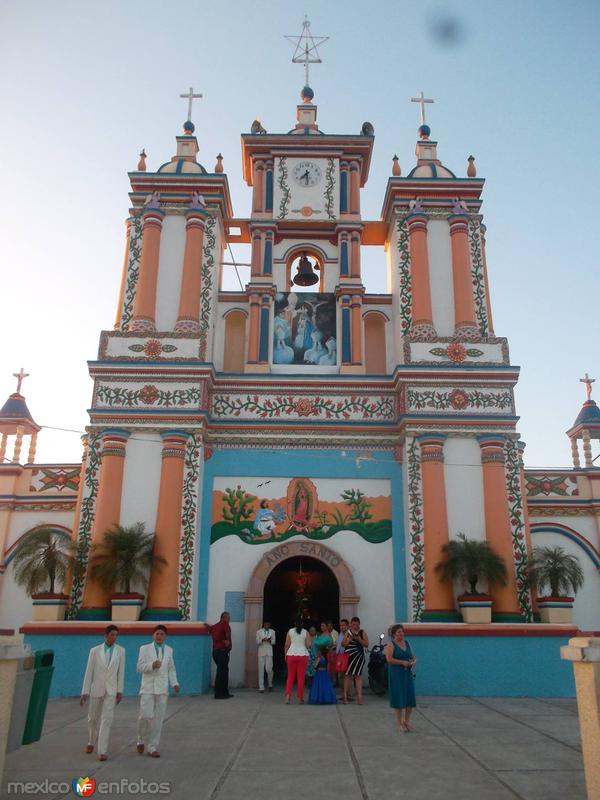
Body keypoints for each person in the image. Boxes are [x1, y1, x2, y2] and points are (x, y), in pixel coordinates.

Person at [80, 624, 125, 761]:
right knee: (92, 718)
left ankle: (102, 750)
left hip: (111, 689)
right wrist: (85, 691)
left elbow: (121, 672)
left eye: (116, 635)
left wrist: (119, 690)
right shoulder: (95, 651)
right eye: (112, 635)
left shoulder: (120, 651)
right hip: (96, 688)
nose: (114, 637)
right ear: (105, 636)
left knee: (107, 719)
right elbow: (89, 672)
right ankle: (91, 741)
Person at [136, 625, 180, 758]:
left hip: (162, 688)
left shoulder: (169, 650)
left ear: (165, 636)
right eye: (157, 634)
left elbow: (171, 668)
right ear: (153, 635)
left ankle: (152, 746)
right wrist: (151, 665)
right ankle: (140, 739)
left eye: (162, 634)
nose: (159, 636)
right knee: (145, 715)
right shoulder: (144, 649)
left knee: (158, 718)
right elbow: (139, 667)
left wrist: (175, 683)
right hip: (148, 687)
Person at [385, 624, 417, 732]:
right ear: (394, 634)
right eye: (399, 632)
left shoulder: (407, 643)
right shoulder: (391, 645)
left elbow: (412, 656)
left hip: (407, 674)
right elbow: (389, 659)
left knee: (409, 697)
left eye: (402, 631)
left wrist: (413, 662)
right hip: (396, 674)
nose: (401, 634)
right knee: (399, 697)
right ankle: (399, 723)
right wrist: (402, 662)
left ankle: (406, 721)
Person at [343, 617, 369, 705]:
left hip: (359, 657)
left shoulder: (362, 632)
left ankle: (359, 697)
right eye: (353, 624)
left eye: (356, 624)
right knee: (347, 676)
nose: (355, 626)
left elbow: (366, 644)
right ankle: (345, 697)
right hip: (349, 656)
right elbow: (343, 644)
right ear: (351, 624)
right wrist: (349, 640)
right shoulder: (348, 632)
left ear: (359, 624)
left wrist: (359, 639)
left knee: (358, 676)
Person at [284, 617, 309, 704]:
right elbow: (308, 645)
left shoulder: (290, 631)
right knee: (301, 678)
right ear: (302, 624)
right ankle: (299, 698)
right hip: (302, 655)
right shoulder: (305, 632)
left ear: (294, 623)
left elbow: (287, 644)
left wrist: (285, 655)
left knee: (290, 677)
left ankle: (287, 697)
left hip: (291, 654)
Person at [211, 611, 233, 699]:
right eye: (228, 617)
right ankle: (220, 693)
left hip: (215, 652)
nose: (229, 619)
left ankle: (223, 692)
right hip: (222, 651)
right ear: (223, 618)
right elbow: (227, 632)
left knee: (222, 671)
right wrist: (227, 641)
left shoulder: (215, 626)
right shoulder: (225, 624)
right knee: (222, 672)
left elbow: (210, 630)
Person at [256, 620, 275, 692]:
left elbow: (274, 642)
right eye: (266, 624)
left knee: (269, 669)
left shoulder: (273, 632)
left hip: (269, 652)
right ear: (263, 625)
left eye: (268, 624)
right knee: (261, 669)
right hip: (261, 652)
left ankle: (270, 684)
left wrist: (270, 640)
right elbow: (257, 642)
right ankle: (261, 687)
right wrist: (262, 640)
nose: (267, 625)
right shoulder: (259, 632)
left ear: (269, 625)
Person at [335, 618, 351, 693]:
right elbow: (338, 646)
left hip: (349, 657)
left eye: (343, 625)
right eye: (340, 625)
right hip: (340, 658)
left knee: (348, 676)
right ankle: (344, 693)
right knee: (341, 676)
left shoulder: (350, 634)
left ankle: (349, 693)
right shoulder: (340, 635)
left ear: (348, 626)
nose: (342, 627)